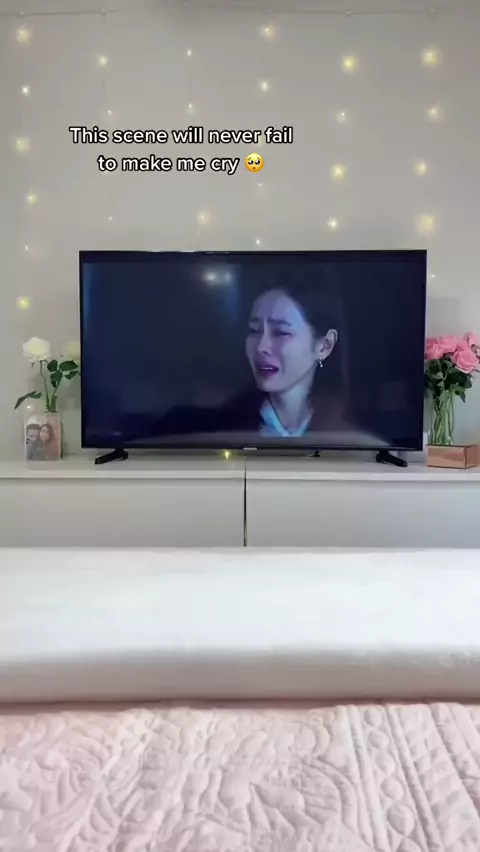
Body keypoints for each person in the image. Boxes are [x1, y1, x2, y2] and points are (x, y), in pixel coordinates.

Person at [218, 272, 349, 438]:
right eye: (254, 330)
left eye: (281, 332)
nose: (261, 347)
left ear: (325, 345)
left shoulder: (347, 432)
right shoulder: (223, 428)